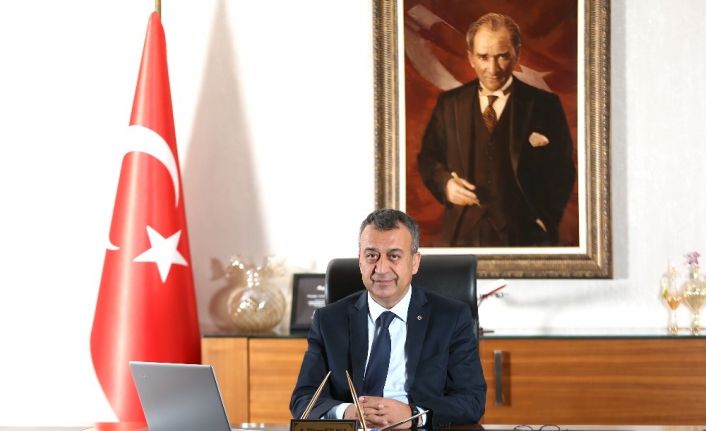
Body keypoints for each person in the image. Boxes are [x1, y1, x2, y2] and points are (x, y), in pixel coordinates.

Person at [290, 209, 486, 428]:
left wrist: (413, 414)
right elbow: (303, 399)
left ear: (414, 262)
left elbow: (472, 401)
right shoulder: (328, 320)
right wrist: (348, 412)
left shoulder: (451, 317)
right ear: (360, 261)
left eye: (394, 256)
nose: (381, 269)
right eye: (371, 255)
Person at [417, 12, 576, 247]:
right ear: (471, 57)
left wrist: (545, 219)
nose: (492, 69)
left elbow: (563, 170)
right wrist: (446, 185)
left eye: (502, 56)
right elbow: (428, 159)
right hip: (462, 236)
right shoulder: (449, 104)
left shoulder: (545, 106)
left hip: (525, 237)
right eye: (483, 57)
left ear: (517, 54)